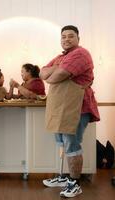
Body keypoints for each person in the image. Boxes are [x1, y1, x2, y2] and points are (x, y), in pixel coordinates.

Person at [40, 25, 100, 198]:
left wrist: (53, 73)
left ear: (78, 39)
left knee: (71, 144)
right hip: (61, 107)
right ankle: (63, 177)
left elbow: (56, 76)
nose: (66, 39)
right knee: (61, 141)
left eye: (71, 36)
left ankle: (75, 183)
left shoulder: (81, 54)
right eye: (63, 36)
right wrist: (52, 71)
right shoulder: (61, 56)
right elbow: (42, 72)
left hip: (77, 107)